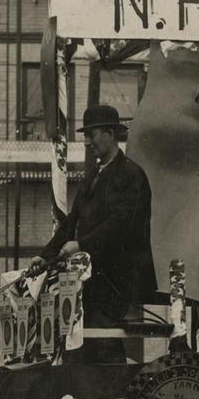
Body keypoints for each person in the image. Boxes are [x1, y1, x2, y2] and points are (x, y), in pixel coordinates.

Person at [30, 104, 155, 349]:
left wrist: (81, 245)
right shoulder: (92, 178)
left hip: (116, 279)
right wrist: (44, 256)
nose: (86, 142)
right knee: (87, 345)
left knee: (104, 344)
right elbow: (70, 224)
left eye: (91, 134)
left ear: (110, 134)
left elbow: (121, 225)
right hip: (89, 281)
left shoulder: (132, 175)